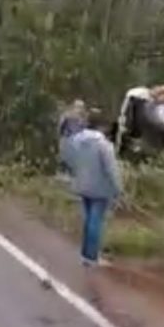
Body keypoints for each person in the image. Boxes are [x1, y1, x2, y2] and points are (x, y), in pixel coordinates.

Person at [59, 111, 123, 266]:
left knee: (89, 220)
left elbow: (69, 160)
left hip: (82, 185)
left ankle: (86, 254)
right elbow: (111, 168)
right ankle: (91, 257)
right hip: (100, 188)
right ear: (102, 127)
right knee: (95, 221)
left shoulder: (76, 141)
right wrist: (118, 188)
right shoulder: (104, 145)